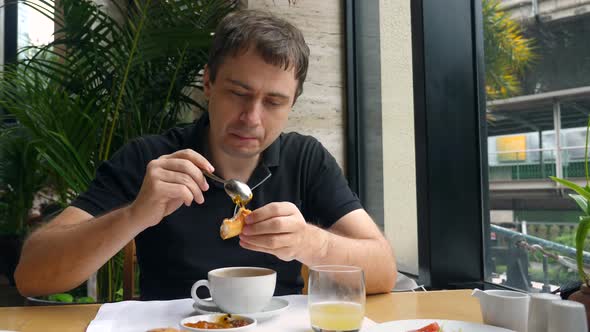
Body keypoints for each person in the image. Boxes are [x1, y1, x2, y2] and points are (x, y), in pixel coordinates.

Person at [15, 9, 397, 300]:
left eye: (274, 102)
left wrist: (310, 244)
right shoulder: (151, 159)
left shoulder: (305, 159)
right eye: (238, 93)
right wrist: (134, 216)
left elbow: (384, 271)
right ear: (209, 83)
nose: (252, 118)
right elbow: (31, 274)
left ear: (292, 102)